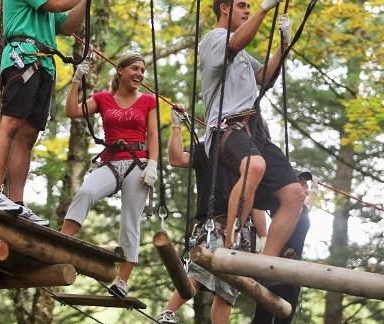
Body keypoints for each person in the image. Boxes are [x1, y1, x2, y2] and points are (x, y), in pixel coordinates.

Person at [0, 0, 109, 225]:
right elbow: (56, 3)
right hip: (22, 56)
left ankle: (16, 201)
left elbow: (66, 26)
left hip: (44, 63)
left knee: (29, 134)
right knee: (11, 122)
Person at [198, 0, 306, 262]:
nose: (247, 11)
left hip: (253, 131)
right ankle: (231, 242)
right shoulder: (214, 39)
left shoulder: (243, 55)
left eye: (249, 6)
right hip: (225, 128)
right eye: (242, 6)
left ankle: (265, 264)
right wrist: (264, 8)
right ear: (224, 8)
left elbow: (265, 78)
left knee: (295, 194)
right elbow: (235, 44)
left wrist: (284, 46)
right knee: (254, 165)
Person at [61, 52, 158, 298]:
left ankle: (122, 282)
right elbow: (72, 111)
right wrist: (76, 78)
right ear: (120, 71)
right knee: (86, 191)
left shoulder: (148, 100)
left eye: (142, 70)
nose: (139, 73)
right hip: (111, 160)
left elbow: (154, 136)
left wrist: (153, 165)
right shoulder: (103, 99)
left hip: (138, 163)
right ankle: (61, 242)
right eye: (134, 68)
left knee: (130, 220)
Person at [157, 104, 247, 324]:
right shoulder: (207, 149)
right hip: (214, 224)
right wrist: (177, 125)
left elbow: (256, 200)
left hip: (239, 229)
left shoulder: (247, 153)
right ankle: (168, 312)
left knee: (227, 290)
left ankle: (168, 312)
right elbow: (177, 159)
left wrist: (262, 236)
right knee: (200, 269)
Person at [250, 169, 318, 324]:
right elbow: (257, 206)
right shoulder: (286, 206)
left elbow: (309, 204)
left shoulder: (300, 210)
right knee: (265, 318)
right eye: (299, 180)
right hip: (281, 267)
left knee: (270, 318)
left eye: (305, 181)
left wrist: (314, 188)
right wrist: (263, 237)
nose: (303, 183)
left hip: (289, 268)